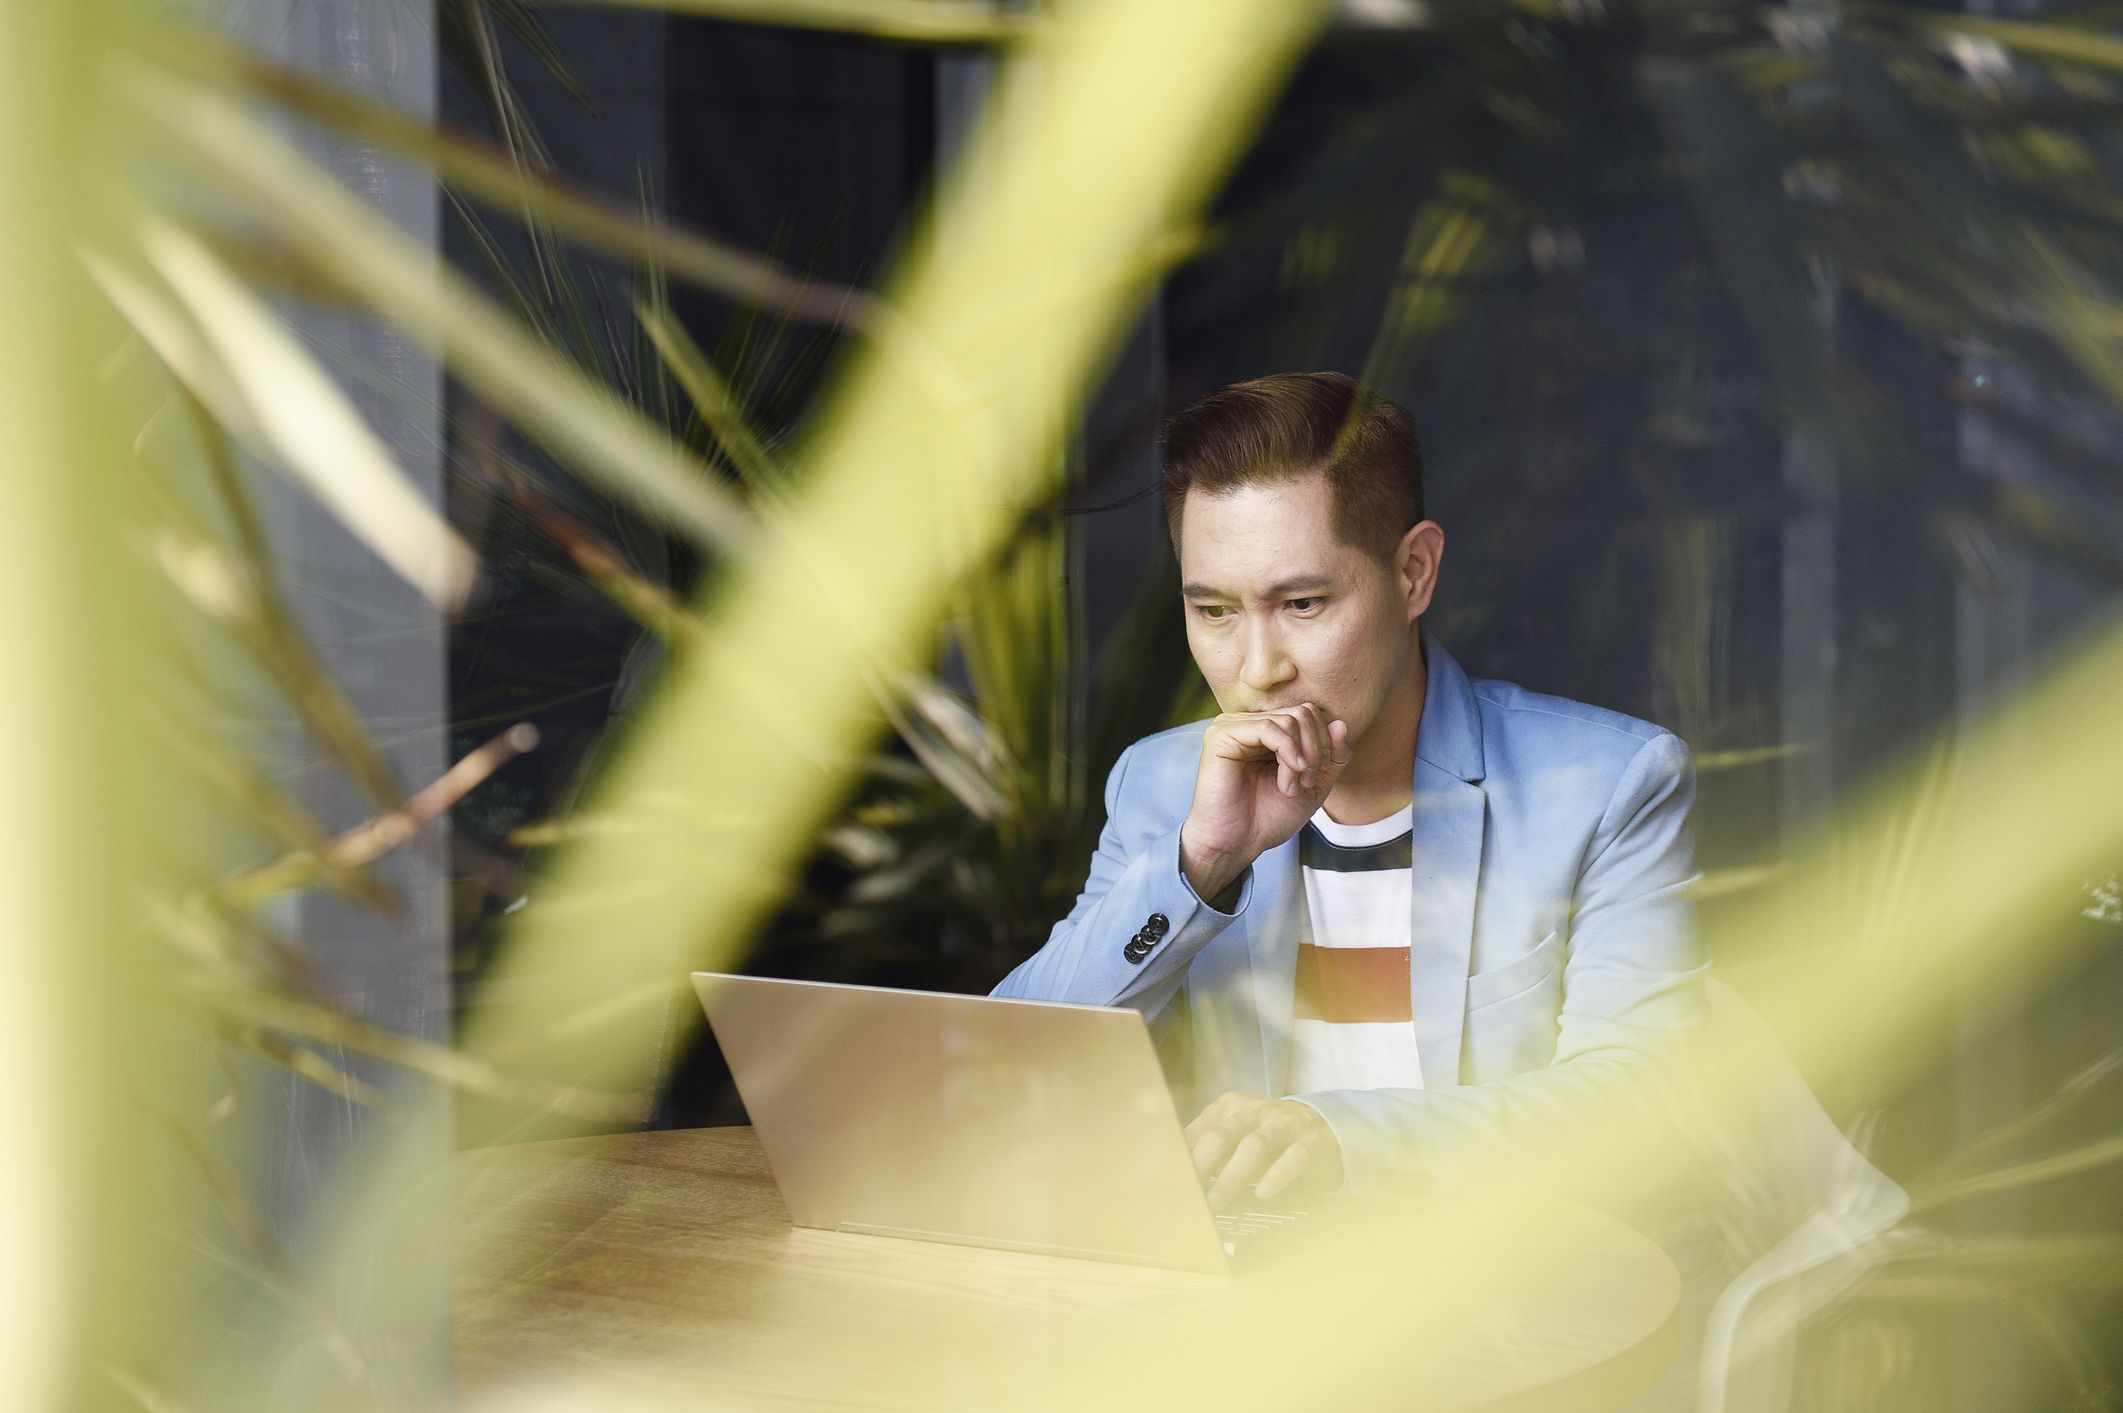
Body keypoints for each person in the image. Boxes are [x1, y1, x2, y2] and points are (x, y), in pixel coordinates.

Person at [992, 370, 1709, 1210]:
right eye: (1214, 612)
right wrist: (1200, 862)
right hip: (1246, 1298)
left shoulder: (1604, 786)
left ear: (1412, 572)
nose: (1258, 670)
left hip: (1503, 1277)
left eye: (1301, 602)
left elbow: (1639, 1103)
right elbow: (1014, 1063)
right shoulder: (1162, 783)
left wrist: (1340, 1138)